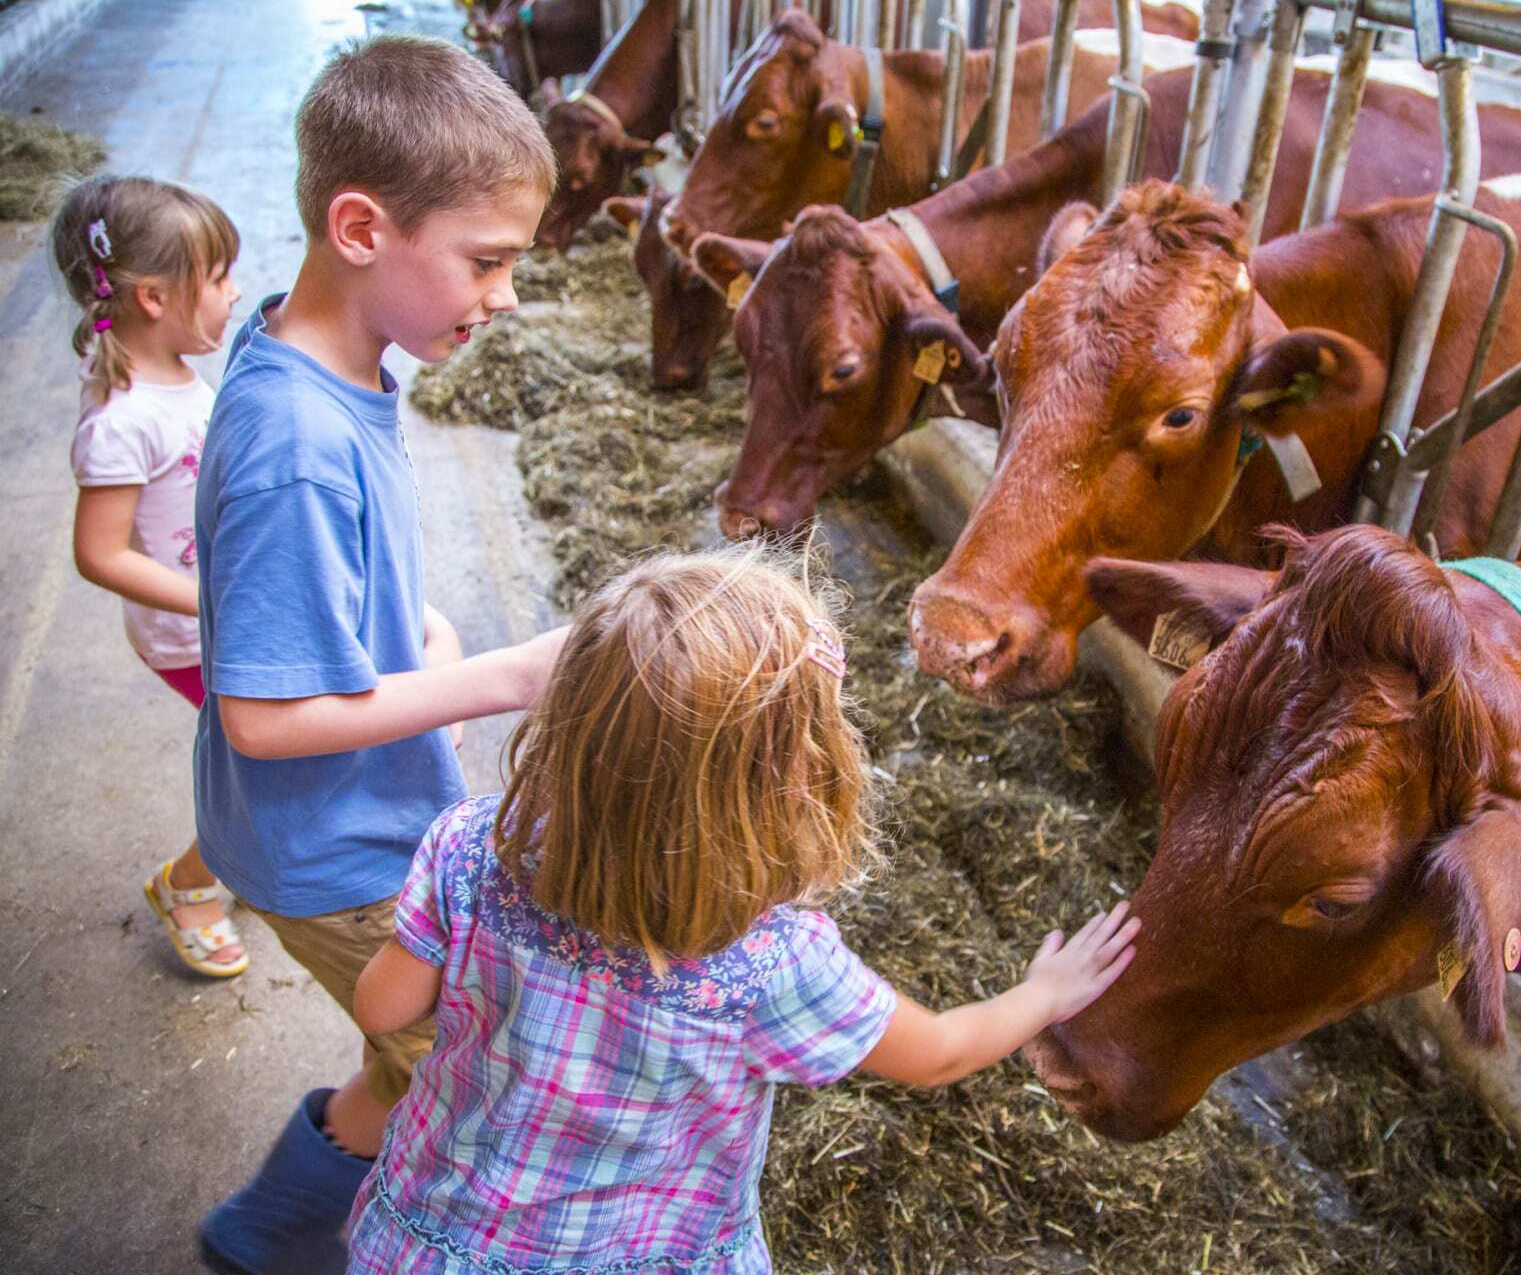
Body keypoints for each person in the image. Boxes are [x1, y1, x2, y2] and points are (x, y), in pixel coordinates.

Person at [345, 546, 1141, 1274]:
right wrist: (1042, 996)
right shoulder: (772, 967)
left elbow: (382, 1007)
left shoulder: (475, 845)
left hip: (430, 1237)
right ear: (786, 784)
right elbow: (937, 1053)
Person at [191, 33, 566, 1275]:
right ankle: (320, 1232)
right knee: (470, 1064)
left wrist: (419, 641)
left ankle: (274, 1223)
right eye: (487, 260)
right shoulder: (298, 442)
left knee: (420, 1050)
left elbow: (323, 599)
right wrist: (502, 674)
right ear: (361, 227)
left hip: (348, 820)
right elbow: (263, 714)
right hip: (337, 854)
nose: (506, 296)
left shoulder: (327, 358)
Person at [52, 174, 249, 978]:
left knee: (270, 759)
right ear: (153, 297)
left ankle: (239, 857)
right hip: (191, 634)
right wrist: (210, 601)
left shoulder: (173, 371)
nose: (236, 293)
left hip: (230, 614)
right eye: (220, 278)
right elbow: (100, 553)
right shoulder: (122, 419)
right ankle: (190, 885)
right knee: (266, 767)